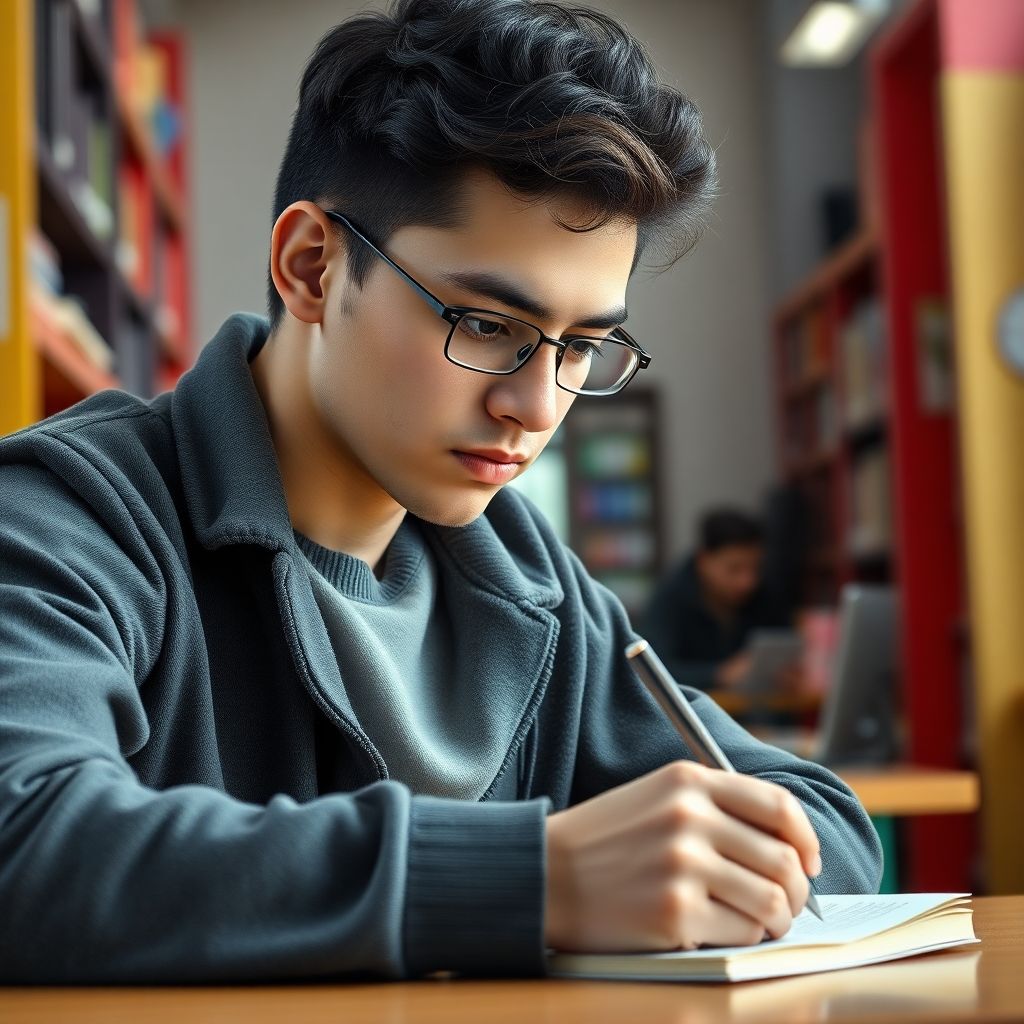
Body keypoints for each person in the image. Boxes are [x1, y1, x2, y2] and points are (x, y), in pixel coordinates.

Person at [0, 0, 881, 983]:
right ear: (310, 268)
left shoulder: (522, 570)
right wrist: (536, 881)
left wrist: (726, 855)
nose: (536, 406)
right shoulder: (67, 515)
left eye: (583, 347)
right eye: (488, 324)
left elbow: (820, 819)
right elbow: (24, 836)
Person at [640, 508, 796, 693]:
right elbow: (651, 671)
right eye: (734, 569)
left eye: (755, 568)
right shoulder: (670, 598)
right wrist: (719, 674)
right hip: (693, 715)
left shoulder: (766, 594)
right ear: (703, 561)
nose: (747, 582)